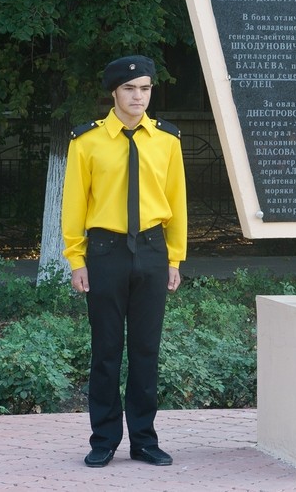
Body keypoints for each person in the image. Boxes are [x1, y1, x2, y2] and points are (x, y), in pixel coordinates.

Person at [62, 55, 187, 467]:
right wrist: (76, 259)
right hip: (105, 253)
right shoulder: (87, 142)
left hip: (152, 250)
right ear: (114, 92)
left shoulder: (167, 141)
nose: (139, 96)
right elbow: (74, 205)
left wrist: (175, 258)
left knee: (147, 349)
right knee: (106, 350)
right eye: (131, 89)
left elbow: (177, 204)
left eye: (146, 88)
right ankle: (104, 439)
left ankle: (145, 440)